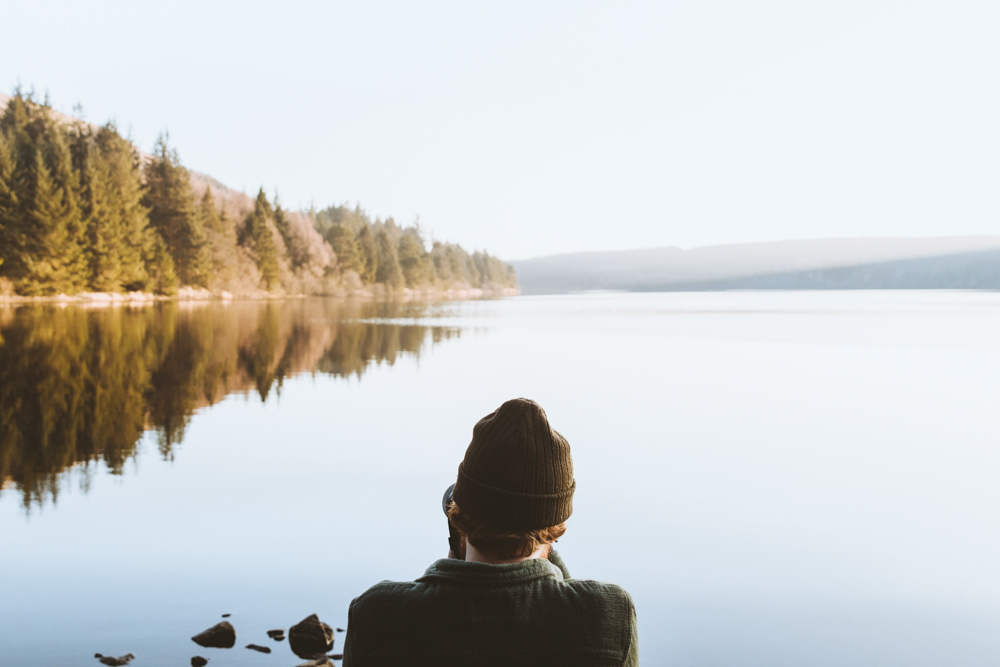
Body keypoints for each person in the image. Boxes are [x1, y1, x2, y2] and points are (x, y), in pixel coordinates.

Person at [342, 398, 638, 666]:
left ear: (458, 516)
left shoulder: (376, 615)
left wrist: (450, 571)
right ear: (553, 528)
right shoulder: (609, 616)